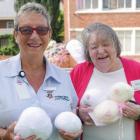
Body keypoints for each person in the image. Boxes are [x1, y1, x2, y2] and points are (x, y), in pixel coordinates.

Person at [0, 2, 82, 140]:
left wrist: (75, 130)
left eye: (42, 30)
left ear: (49, 34)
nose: (34, 36)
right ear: (16, 35)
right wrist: (4, 135)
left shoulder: (63, 77)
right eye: (26, 30)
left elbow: (73, 114)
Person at [70, 22, 140, 140]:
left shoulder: (137, 69)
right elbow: (63, 106)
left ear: (115, 46)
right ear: (88, 51)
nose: (101, 51)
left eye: (106, 44)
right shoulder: (79, 72)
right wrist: (77, 114)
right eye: (94, 47)